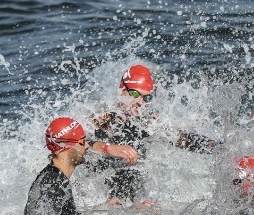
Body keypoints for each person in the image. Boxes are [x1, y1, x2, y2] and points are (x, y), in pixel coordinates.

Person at [90, 63, 218, 201]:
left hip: (132, 195)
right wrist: (108, 148)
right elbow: (71, 142)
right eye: (134, 93)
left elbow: (185, 140)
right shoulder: (101, 116)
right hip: (98, 191)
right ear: (122, 89)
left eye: (146, 98)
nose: (139, 102)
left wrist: (220, 149)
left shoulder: (146, 122)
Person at [24, 116, 149, 215]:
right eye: (83, 142)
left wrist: (107, 147)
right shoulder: (54, 184)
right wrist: (123, 211)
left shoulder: (52, 176)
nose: (87, 146)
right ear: (69, 147)